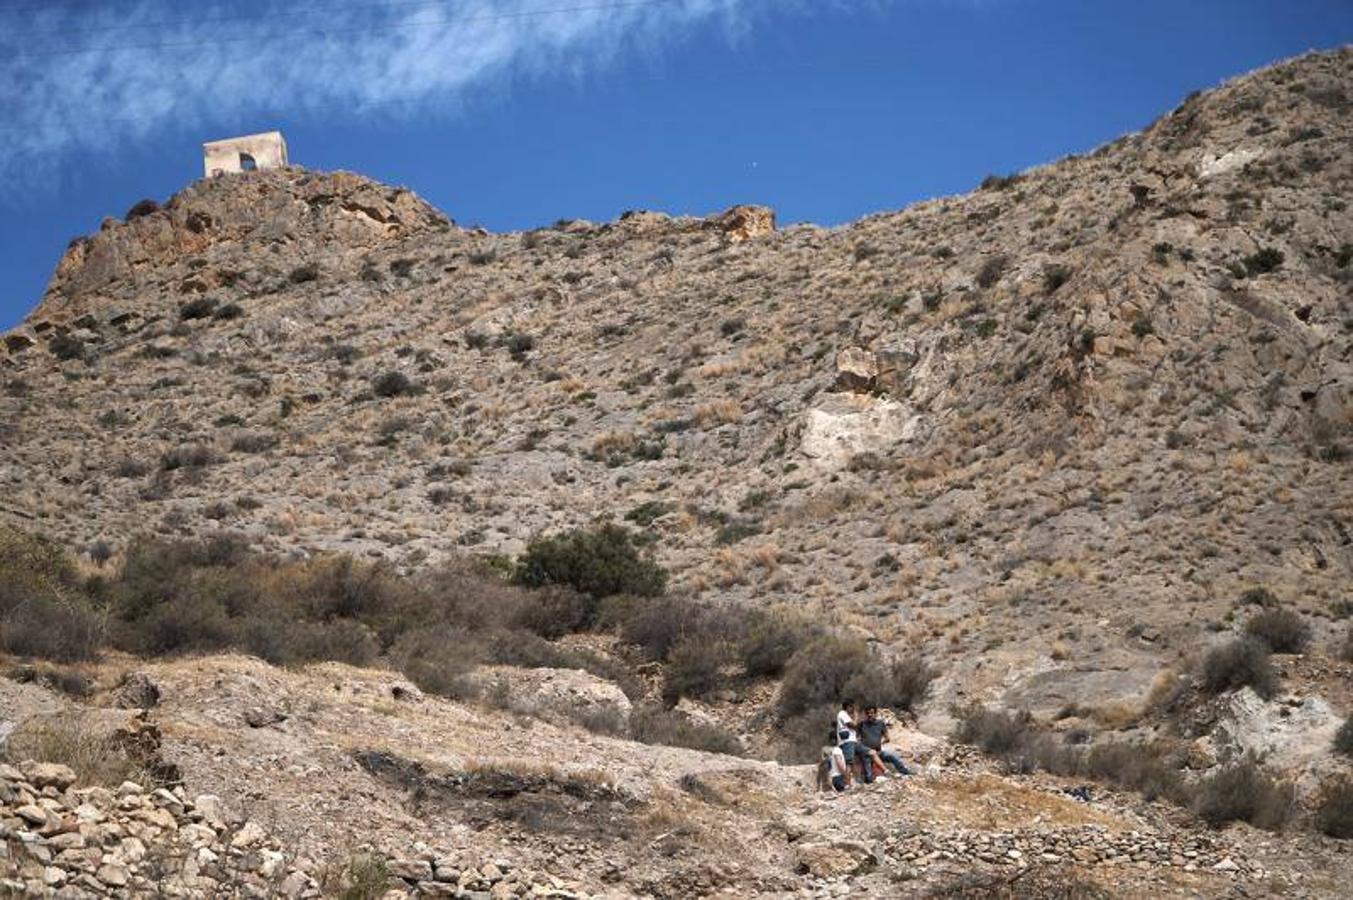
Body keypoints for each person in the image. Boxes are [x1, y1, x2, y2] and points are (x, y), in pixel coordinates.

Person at [859, 706, 912, 776]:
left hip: (878, 752)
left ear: (875, 714)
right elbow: (857, 738)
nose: (869, 715)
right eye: (867, 713)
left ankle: (906, 773)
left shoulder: (880, 723)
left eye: (872, 713)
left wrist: (879, 743)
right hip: (867, 754)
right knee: (868, 775)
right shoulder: (862, 725)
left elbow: (887, 738)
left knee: (893, 757)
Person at [834, 700, 875, 784]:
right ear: (848, 706)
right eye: (852, 707)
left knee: (870, 752)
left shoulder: (846, 715)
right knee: (849, 762)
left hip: (853, 741)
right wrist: (856, 717)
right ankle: (847, 783)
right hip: (847, 742)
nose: (853, 709)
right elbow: (854, 725)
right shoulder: (842, 714)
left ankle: (871, 777)